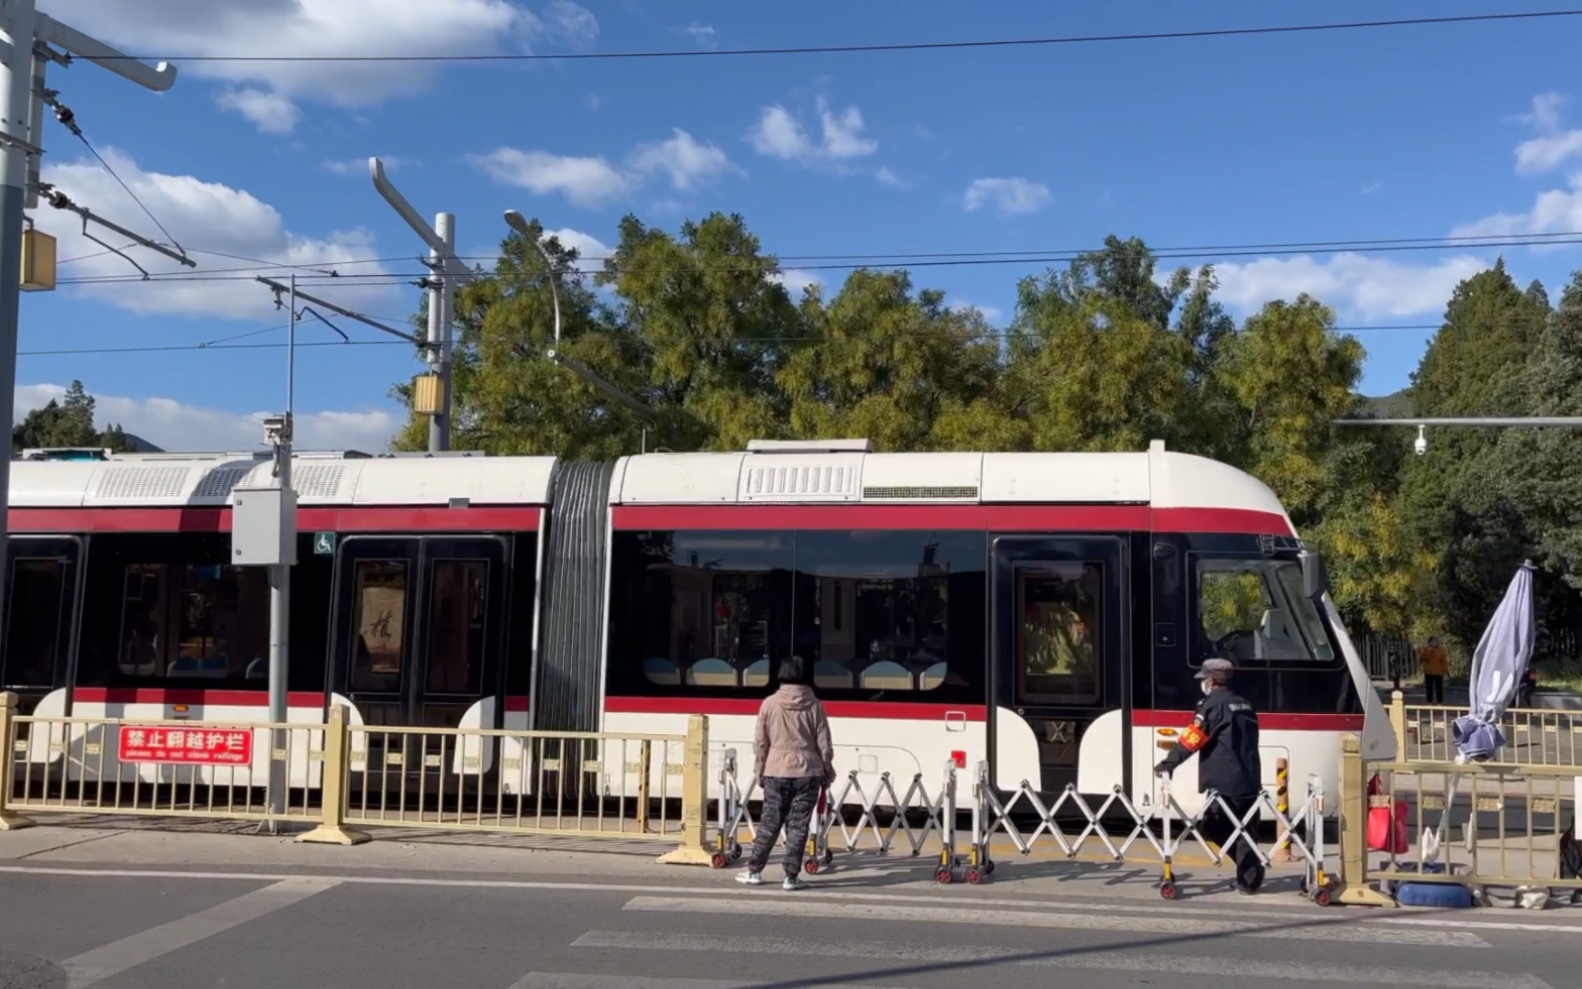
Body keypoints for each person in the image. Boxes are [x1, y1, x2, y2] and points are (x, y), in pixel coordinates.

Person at [1155, 657, 1264, 894]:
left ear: (1211, 680)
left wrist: (1169, 763)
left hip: (1225, 781)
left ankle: (1251, 869)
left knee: (1215, 826)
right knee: (1244, 830)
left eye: (1204, 679)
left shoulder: (1213, 705)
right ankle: (1249, 880)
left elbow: (1193, 738)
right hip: (1250, 778)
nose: (1202, 683)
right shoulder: (1244, 703)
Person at [738, 654, 836, 891]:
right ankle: (791, 877)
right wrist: (828, 769)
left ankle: (754, 871)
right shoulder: (815, 705)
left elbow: (761, 743)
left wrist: (760, 770)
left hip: (775, 770)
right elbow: (824, 743)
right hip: (808, 772)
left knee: (770, 822)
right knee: (798, 825)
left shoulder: (769, 704)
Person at [1419, 636, 1448, 704]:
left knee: (1439, 688)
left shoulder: (1441, 650)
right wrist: (1430, 652)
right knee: (1429, 688)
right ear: (1429, 642)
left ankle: (1440, 702)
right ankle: (1429, 701)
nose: (1434, 643)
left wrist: (1445, 670)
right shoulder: (1426, 650)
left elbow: (1444, 661)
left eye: (1435, 641)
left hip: (1438, 672)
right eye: (1432, 641)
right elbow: (1423, 659)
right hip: (1429, 672)